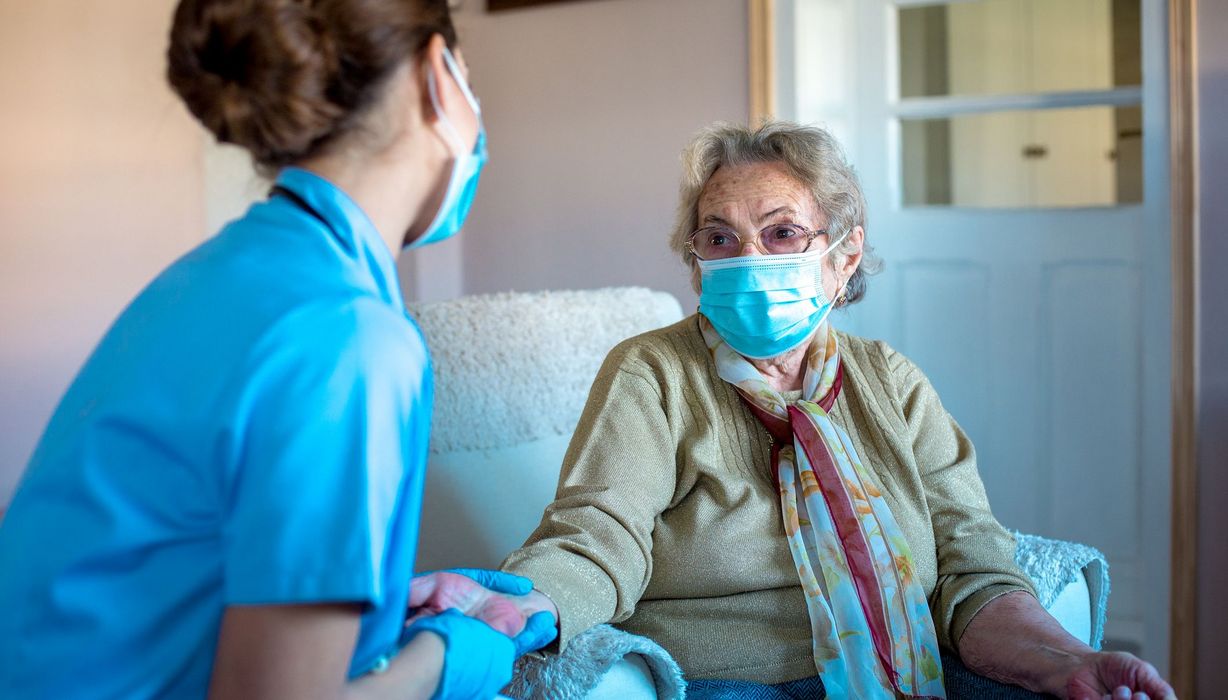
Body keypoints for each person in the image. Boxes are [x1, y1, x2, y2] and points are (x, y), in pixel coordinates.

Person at [495, 121, 1176, 700]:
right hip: (729, 677)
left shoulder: (891, 382)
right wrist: (522, 601)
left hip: (907, 659)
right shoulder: (652, 373)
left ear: (842, 258)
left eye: (782, 232)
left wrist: (1067, 661)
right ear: (697, 259)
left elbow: (971, 560)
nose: (748, 259)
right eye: (720, 239)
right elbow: (596, 537)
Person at [0, 1, 553, 698]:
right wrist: (453, 659)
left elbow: (166, 558)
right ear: (440, 76)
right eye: (469, 77)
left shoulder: (212, 274)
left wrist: (375, 601)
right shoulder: (351, 339)